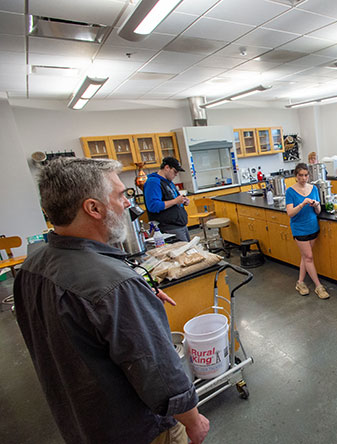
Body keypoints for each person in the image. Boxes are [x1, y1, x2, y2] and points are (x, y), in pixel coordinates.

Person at [14, 158, 209, 444]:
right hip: (139, 430)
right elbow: (157, 371)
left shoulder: (31, 267)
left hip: (82, 424)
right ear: (93, 208)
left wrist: (130, 301)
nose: (128, 203)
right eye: (120, 195)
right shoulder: (115, 286)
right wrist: (192, 420)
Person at [285, 163, 330, 299]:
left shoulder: (314, 188)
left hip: (313, 226)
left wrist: (316, 205)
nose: (303, 178)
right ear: (296, 176)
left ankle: (300, 282)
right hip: (300, 228)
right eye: (301, 175)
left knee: (306, 257)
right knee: (309, 257)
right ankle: (318, 286)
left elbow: (318, 211)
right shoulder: (290, 191)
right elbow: (290, 213)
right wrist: (302, 204)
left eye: (306, 175)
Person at [144, 157, 191, 242]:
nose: (176, 174)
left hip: (181, 225)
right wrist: (175, 201)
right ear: (167, 167)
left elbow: (174, 199)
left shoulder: (168, 182)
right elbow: (154, 206)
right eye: (175, 171)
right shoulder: (153, 182)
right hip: (169, 229)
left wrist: (183, 201)